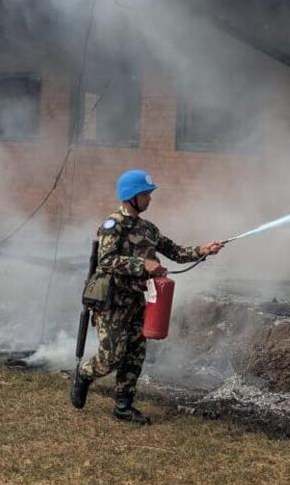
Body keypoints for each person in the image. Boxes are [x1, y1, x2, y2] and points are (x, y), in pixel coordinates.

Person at [69, 169, 225, 424]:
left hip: (138, 301)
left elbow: (175, 252)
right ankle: (85, 374)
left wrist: (202, 250)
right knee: (111, 358)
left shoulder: (148, 229)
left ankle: (123, 406)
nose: (149, 199)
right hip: (112, 302)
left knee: (134, 355)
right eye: (145, 195)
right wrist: (143, 265)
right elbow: (106, 261)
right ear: (131, 196)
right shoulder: (112, 226)